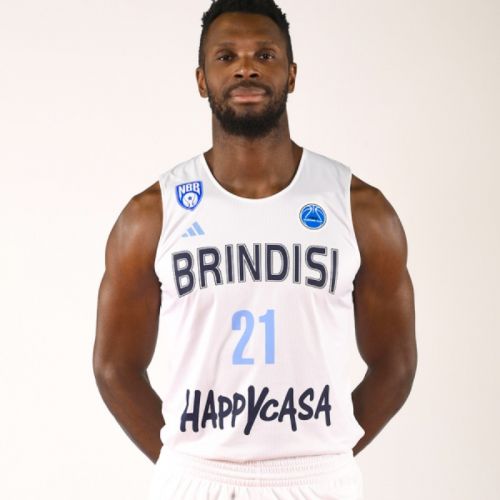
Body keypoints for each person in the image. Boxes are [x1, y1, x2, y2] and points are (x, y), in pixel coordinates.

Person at [92, 1, 417, 498]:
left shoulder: (360, 209)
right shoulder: (153, 215)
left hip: (318, 479)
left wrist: (326, 453)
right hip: (196, 477)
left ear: (292, 74)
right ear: (202, 80)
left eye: (264, 55)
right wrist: (188, 460)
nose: (246, 68)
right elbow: (114, 366)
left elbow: (396, 363)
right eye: (226, 57)